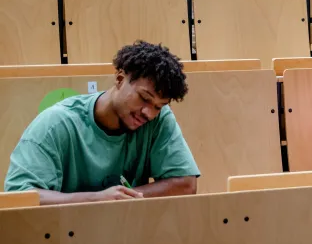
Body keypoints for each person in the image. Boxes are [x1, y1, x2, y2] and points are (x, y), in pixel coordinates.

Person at [4, 41, 199, 205]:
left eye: (159, 106)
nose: (149, 112)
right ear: (120, 79)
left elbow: (185, 184)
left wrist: (122, 199)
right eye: (144, 98)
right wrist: (96, 200)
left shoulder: (159, 119)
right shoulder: (56, 123)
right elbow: (19, 197)